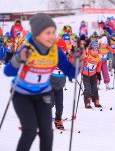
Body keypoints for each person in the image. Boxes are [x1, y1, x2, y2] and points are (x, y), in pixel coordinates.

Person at [4, 13, 79, 151]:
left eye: (53, 32)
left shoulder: (56, 51)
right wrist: (18, 60)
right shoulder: (27, 49)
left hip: (43, 95)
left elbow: (71, 73)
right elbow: (8, 72)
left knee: (47, 133)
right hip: (22, 95)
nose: (52, 36)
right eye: (48, 33)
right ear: (37, 34)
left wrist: (77, 60)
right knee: (30, 130)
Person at [50, 39, 68, 130]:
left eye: (64, 51)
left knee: (60, 105)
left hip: (60, 86)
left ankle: (58, 120)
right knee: (50, 103)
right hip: (50, 86)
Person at [81, 41, 102, 108]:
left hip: (93, 75)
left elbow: (99, 65)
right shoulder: (87, 55)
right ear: (90, 50)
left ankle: (96, 100)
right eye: (93, 50)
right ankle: (87, 101)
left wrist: (98, 73)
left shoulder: (98, 58)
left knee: (95, 88)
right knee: (87, 89)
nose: (95, 52)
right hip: (85, 75)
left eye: (96, 50)